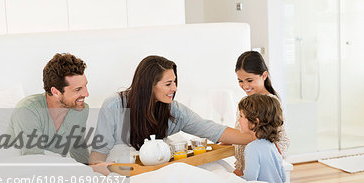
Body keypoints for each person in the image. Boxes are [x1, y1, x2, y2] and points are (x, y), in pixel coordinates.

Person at [89, 55, 254, 164]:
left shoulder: (174, 111)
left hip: (160, 168)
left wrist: (254, 137)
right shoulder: (114, 106)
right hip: (127, 170)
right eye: (168, 84)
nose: (174, 88)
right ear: (148, 85)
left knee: (215, 168)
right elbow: (99, 153)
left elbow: (209, 129)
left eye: (174, 82)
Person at [8, 53, 91, 164]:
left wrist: (94, 170)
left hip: (51, 171)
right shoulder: (27, 110)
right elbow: (33, 161)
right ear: (55, 92)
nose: (86, 94)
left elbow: (78, 149)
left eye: (85, 85)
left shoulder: (80, 110)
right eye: (78, 89)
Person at [233, 51, 289, 176]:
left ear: (264, 76)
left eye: (249, 80)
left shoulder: (271, 102)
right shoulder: (244, 102)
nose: (245, 86)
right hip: (244, 167)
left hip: (260, 169)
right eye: (240, 81)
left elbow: (277, 139)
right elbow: (239, 129)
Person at [238, 94, 286, 183]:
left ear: (255, 122)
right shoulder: (273, 145)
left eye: (241, 116)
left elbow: (250, 181)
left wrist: (237, 177)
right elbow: (283, 178)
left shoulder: (252, 148)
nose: (239, 120)